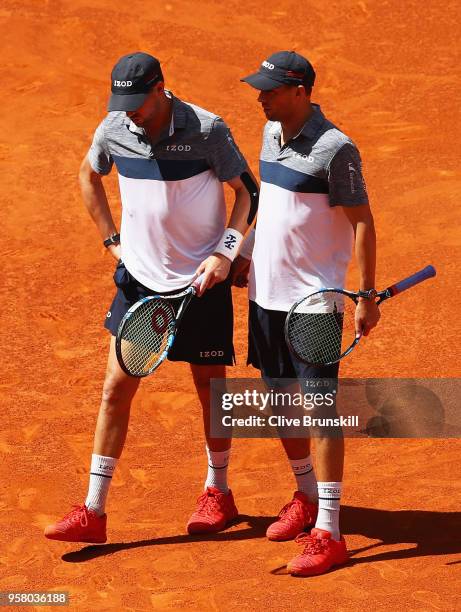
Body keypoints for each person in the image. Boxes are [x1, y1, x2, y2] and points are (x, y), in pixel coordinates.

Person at [45, 52, 258, 543]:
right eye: (122, 102)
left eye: (137, 101)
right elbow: (88, 174)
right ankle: (94, 510)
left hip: (199, 281)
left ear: (161, 89)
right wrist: (111, 240)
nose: (130, 111)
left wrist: (226, 254)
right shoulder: (115, 126)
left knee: (210, 391)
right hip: (139, 281)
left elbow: (249, 192)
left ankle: (218, 492)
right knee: (115, 389)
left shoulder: (207, 129)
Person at [234, 51, 380, 576]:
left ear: (300, 91)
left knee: (320, 412)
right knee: (279, 401)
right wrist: (244, 254)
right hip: (265, 295)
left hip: (314, 304)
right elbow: (270, 207)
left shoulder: (336, 149)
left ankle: (330, 530)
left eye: (269, 90)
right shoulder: (271, 134)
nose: (260, 97)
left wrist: (364, 295)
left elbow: (363, 223)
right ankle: (305, 494)